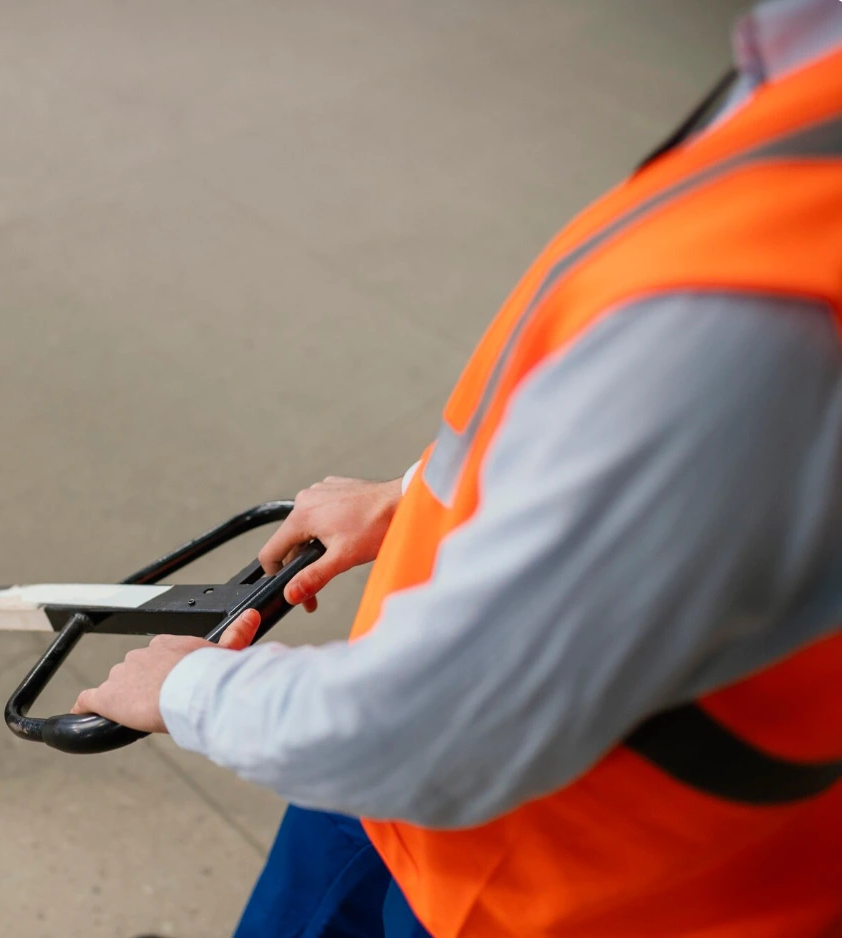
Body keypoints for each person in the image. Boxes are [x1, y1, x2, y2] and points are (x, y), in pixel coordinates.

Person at [74, 1, 842, 935]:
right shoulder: (797, 86)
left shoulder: (750, 314)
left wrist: (189, 691)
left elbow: (431, 734)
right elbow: (642, 446)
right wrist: (411, 493)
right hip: (449, 772)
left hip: (544, 872)